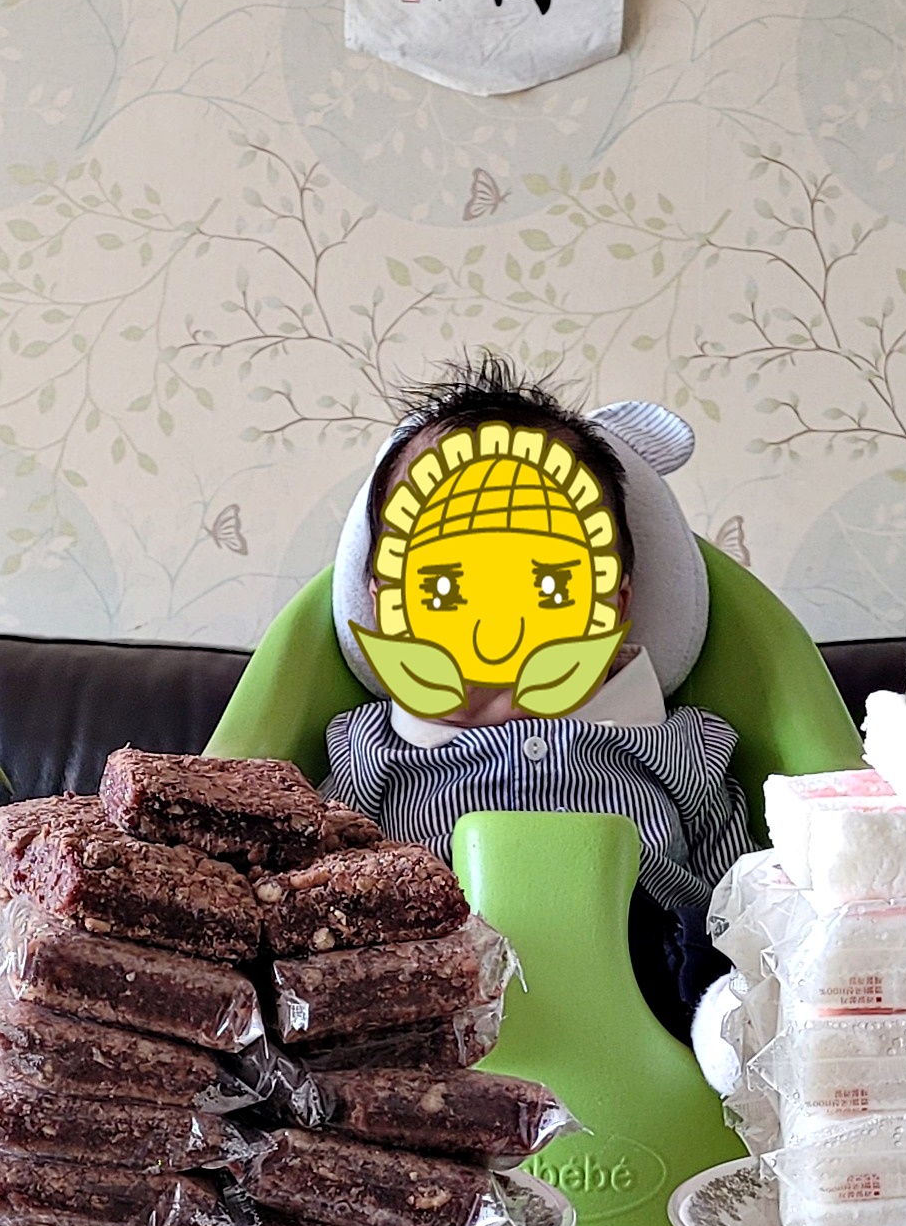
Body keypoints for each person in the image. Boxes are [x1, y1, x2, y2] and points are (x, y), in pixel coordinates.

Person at [322, 355, 752, 1038]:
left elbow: (748, 899)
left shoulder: (684, 742)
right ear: (384, 606)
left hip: (653, 1003)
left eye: (547, 585)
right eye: (445, 589)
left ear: (613, 603)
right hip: (435, 1010)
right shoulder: (367, 748)